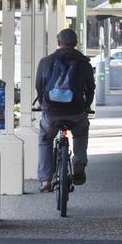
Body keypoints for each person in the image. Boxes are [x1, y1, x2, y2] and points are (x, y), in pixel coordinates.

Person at [35, 28, 95, 193]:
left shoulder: (46, 61)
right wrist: (86, 106)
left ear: (58, 42)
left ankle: (46, 180)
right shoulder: (84, 63)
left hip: (52, 113)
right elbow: (91, 88)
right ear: (76, 43)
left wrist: (43, 104)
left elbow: (39, 86)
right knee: (80, 133)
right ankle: (79, 162)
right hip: (76, 112)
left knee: (45, 140)